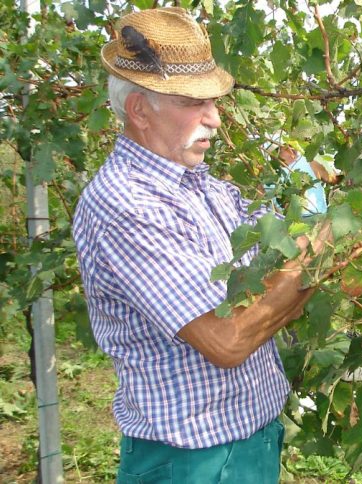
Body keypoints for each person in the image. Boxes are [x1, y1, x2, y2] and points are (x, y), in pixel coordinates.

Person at [72, 8, 328, 482]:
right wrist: (324, 248)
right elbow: (225, 341)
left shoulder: (203, 186)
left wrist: (357, 208)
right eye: (195, 102)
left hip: (251, 442)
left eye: (212, 100)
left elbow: (283, 247)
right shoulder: (126, 205)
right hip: (192, 464)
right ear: (139, 110)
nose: (214, 117)